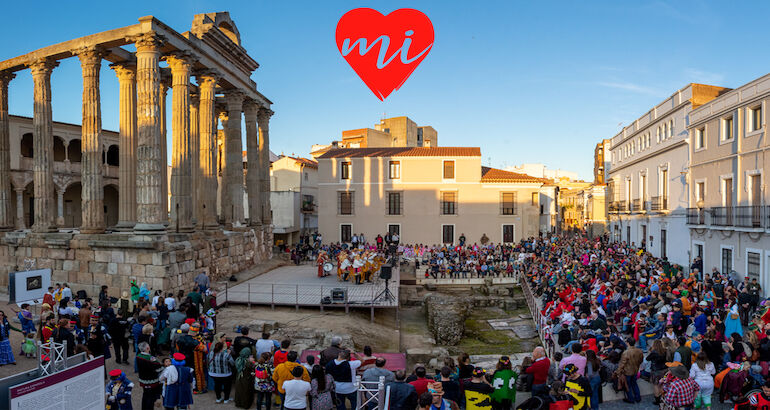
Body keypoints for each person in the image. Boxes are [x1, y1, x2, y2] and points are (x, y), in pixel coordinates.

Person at [615, 337, 642, 404]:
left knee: (628, 386)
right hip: (635, 370)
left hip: (627, 372)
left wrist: (617, 372)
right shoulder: (639, 351)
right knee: (634, 384)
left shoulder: (626, 352)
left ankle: (630, 399)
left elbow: (622, 364)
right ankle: (638, 398)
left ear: (628, 343)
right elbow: (640, 361)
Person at [135, 342, 162, 410]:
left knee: (145, 395)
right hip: (152, 381)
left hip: (143, 379)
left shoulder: (138, 356)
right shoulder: (150, 358)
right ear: (147, 348)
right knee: (151, 397)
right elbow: (158, 368)